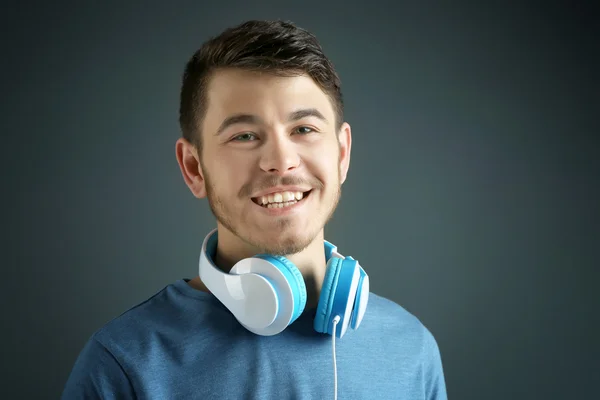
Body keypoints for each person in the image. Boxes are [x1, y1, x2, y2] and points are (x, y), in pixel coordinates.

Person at [61, 19, 447, 399]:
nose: (281, 161)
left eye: (304, 129)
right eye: (244, 135)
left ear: (342, 154)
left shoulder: (412, 349)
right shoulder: (123, 364)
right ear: (194, 168)